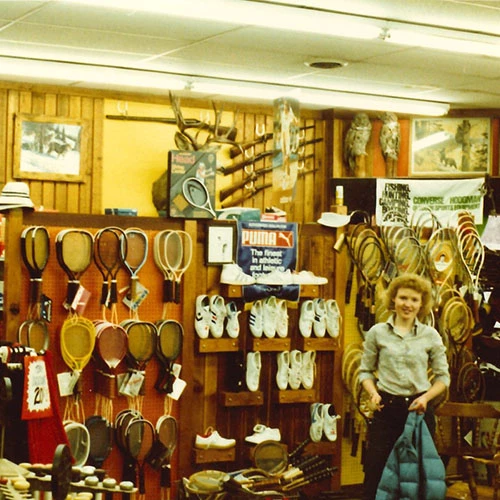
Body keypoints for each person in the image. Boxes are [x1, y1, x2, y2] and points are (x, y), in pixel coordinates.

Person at [358, 273, 450, 500]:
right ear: (394, 300)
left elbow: (443, 378)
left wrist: (426, 398)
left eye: (414, 300)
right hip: (386, 411)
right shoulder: (377, 333)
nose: (408, 304)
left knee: (417, 476)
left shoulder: (431, 336)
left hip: (418, 412)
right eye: (403, 298)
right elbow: (365, 372)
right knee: (376, 472)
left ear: (422, 304)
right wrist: (372, 393)